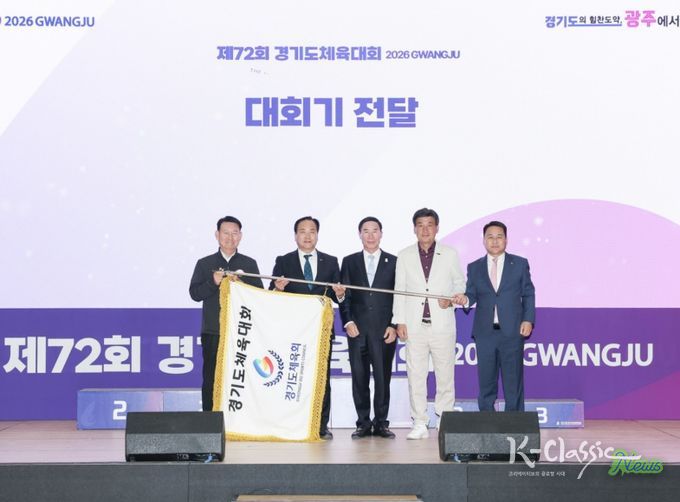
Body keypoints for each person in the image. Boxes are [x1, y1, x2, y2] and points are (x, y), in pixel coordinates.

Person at [392, 208, 465, 440]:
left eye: (429, 225)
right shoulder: (404, 255)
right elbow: (399, 290)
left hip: (442, 325)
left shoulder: (450, 254)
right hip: (414, 326)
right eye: (420, 225)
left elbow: (459, 283)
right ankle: (419, 422)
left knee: (445, 375)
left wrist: (452, 298)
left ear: (437, 228)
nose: (425, 230)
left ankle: (444, 419)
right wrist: (399, 321)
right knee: (416, 376)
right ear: (414, 228)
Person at [270, 216, 345, 440]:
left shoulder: (331, 261)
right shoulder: (284, 261)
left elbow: (337, 296)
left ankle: (321, 425)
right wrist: (278, 288)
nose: (307, 235)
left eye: (312, 231)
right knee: (292, 377)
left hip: (321, 331)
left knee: (321, 378)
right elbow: (271, 293)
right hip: (294, 331)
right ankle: (292, 423)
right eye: (302, 231)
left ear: (317, 235)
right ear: (295, 236)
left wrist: (340, 294)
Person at [452, 221, 535, 412]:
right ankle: (487, 420)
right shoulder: (475, 267)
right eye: (490, 237)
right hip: (485, 333)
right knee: (486, 381)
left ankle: (514, 421)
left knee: (513, 381)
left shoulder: (519, 264)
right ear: (484, 240)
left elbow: (528, 293)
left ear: (506, 240)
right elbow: (471, 294)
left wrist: (528, 319)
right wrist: (464, 299)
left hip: (512, 331)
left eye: (499, 237)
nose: (495, 241)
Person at [190, 216, 263, 412]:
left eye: (234, 233)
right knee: (211, 378)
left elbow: (259, 297)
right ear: (217, 235)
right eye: (225, 233)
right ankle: (209, 420)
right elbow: (195, 294)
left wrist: (242, 284)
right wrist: (213, 282)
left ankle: (239, 420)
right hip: (213, 331)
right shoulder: (205, 263)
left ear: (240, 236)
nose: (230, 237)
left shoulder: (249, 264)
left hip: (242, 333)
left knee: (241, 378)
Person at [339, 217, 398, 439]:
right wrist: (348, 321)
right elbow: (344, 295)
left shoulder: (394, 262)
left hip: (384, 331)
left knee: (383, 379)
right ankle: (363, 423)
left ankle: (381, 423)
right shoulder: (349, 261)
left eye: (375, 231)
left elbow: (398, 297)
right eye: (366, 231)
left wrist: (394, 324)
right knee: (359, 378)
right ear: (359, 234)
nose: (371, 235)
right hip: (357, 331)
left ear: (381, 234)